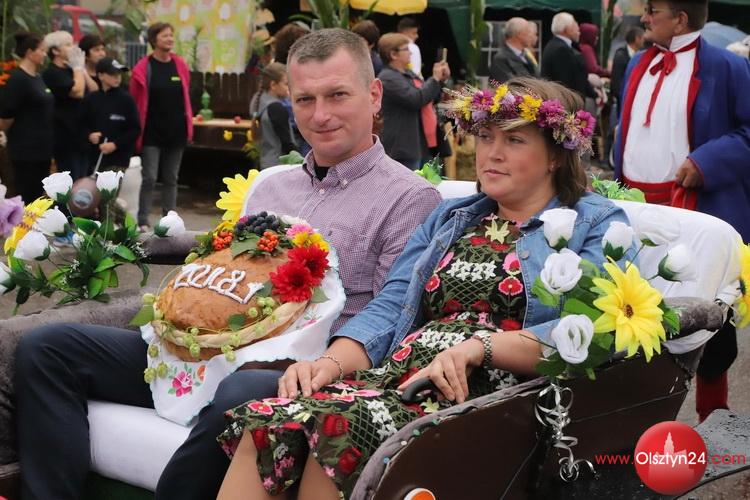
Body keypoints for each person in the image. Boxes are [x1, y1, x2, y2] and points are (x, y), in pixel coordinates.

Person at [14, 28, 441, 500]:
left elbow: (392, 315)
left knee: (244, 391)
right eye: (304, 99)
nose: (320, 115)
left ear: (374, 95)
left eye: (337, 95)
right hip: (208, 352)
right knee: (48, 348)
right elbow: (222, 270)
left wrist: (325, 362)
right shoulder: (271, 187)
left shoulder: (409, 198)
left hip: (303, 368)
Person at [215, 77, 632, 499]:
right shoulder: (453, 218)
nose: (492, 153)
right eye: (485, 137)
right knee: (267, 420)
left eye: (515, 140)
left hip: (489, 398)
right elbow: (391, 305)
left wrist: (481, 347)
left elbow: (592, 332)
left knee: (334, 428)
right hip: (400, 378)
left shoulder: (595, 223)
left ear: (555, 156)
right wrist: (328, 364)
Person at [614, 0, 750, 422]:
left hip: (696, 209)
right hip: (634, 211)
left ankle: (715, 422)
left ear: (681, 19)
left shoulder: (727, 67)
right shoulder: (637, 63)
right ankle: (634, 428)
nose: (644, 17)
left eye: (652, 9)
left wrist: (706, 163)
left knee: (711, 325)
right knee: (632, 321)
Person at [130, 22, 193, 232]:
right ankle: (142, 220)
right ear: (154, 40)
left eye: (171, 35)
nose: (170, 39)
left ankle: (169, 220)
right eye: (165, 35)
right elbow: (135, 100)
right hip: (151, 132)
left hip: (176, 131)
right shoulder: (143, 68)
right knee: (149, 177)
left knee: (171, 178)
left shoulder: (179, 65)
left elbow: (185, 95)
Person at [377, 33, 450, 170]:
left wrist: (441, 80)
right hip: (400, 148)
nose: (410, 53)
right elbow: (416, 99)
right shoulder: (388, 77)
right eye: (406, 49)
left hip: (417, 143)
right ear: (393, 54)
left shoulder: (407, 73)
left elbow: (429, 97)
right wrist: (434, 79)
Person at [0, 32, 53, 202]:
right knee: (28, 196)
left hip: (42, 149)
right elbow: (7, 114)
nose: (44, 54)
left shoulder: (37, 77)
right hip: (25, 150)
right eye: (41, 50)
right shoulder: (18, 79)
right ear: (30, 52)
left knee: (39, 197)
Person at [42, 30, 89, 181]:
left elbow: (93, 89)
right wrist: (77, 69)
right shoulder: (52, 73)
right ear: (55, 51)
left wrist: (81, 69)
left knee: (84, 183)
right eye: (68, 45)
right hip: (66, 138)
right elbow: (78, 92)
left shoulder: (72, 70)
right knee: (72, 183)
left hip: (82, 136)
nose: (73, 48)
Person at [80, 57, 140, 172]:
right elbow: (81, 125)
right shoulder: (91, 99)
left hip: (118, 161)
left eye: (119, 73)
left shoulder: (126, 99)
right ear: (100, 76)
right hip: (92, 160)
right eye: (112, 73)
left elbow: (135, 129)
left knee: (109, 184)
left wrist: (115, 145)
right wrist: (89, 135)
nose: (117, 76)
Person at [249, 62, 296, 169]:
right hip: (280, 165)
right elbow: (287, 143)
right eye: (286, 84)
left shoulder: (257, 100)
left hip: (265, 162)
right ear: (273, 85)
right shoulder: (276, 108)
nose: (289, 88)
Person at [541, 12, 597, 101]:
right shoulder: (561, 49)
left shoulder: (556, 45)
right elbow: (566, 83)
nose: (578, 31)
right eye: (576, 27)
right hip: (566, 103)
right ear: (567, 29)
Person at [488, 17, 538, 82]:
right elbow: (502, 84)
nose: (531, 36)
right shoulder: (500, 59)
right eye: (529, 32)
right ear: (519, 34)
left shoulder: (526, 56)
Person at [610, 27, 645, 117]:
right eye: (642, 37)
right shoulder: (621, 55)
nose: (644, 40)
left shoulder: (640, 55)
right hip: (623, 99)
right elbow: (616, 81)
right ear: (637, 39)